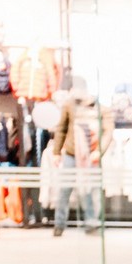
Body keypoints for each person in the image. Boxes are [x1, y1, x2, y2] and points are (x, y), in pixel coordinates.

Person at [52, 77, 114, 237]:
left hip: (91, 155)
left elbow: (108, 132)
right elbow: (61, 129)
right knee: (65, 189)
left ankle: (92, 223)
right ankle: (59, 224)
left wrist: (99, 151)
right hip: (71, 153)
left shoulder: (102, 109)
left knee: (90, 190)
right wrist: (56, 152)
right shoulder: (69, 105)